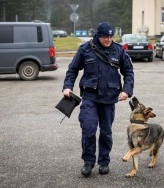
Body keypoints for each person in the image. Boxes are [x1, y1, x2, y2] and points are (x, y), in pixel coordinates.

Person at [62, 22, 134, 177]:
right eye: (105, 37)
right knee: (88, 128)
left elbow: (128, 71)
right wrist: (67, 87)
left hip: (109, 98)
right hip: (90, 96)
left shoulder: (118, 50)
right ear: (98, 35)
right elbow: (72, 69)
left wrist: (126, 90)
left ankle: (103, 162)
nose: (108, 40)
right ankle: (88, 162)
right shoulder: (85, 49)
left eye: (110, 36)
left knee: (106, 132)